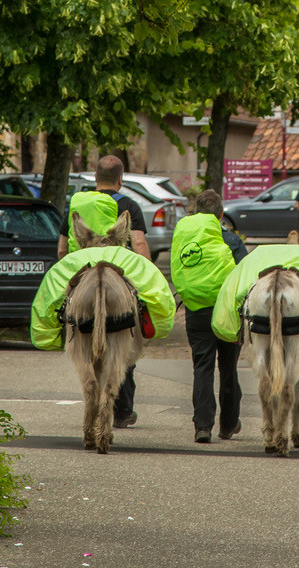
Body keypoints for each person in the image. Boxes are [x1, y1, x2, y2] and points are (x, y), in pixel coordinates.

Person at [56, 155, 149, 425]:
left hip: (82, 270)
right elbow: (139, 244)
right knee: (125, 337)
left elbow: (63, 248)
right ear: (121, 179)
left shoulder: (77, 204)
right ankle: (122, 410)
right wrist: (146, 274)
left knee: (68, 320)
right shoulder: (128, 204)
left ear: (95, 178)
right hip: (117, 274)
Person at [169, 189, 246, 443]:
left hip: (196, 309)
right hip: (227, 313)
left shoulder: (185, 239)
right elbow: (245, 279)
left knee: (202, 367)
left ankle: (202, 426)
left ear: (196, 215)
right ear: (221, 215)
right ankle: (228, 424)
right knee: (228, 367)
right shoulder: (232, 241)